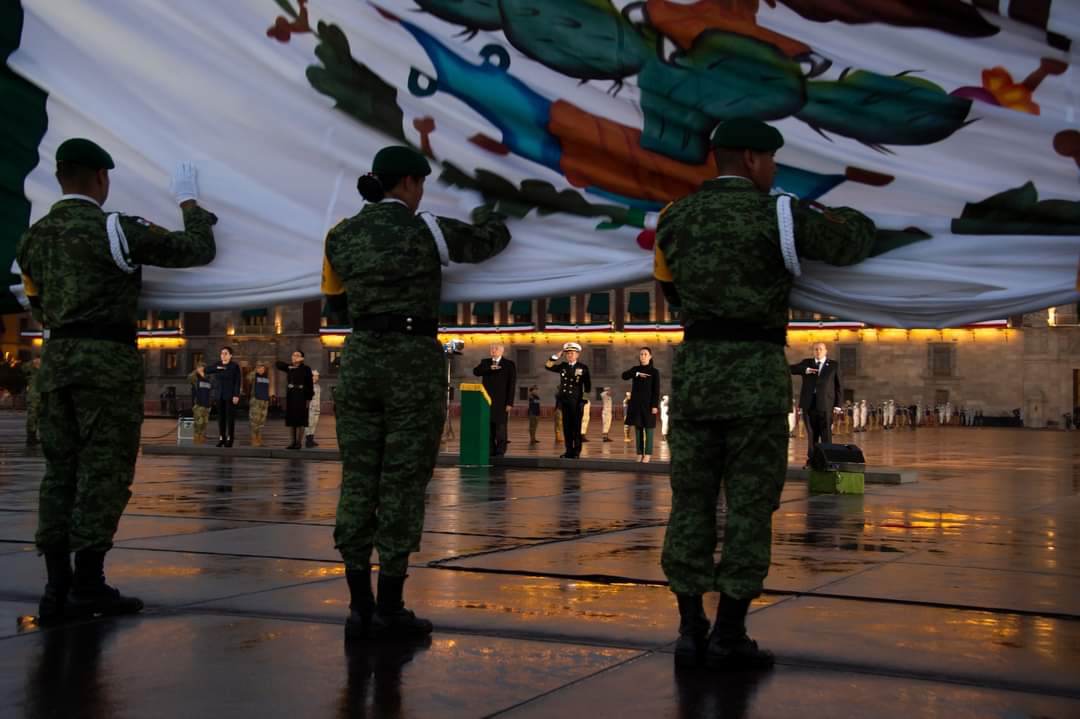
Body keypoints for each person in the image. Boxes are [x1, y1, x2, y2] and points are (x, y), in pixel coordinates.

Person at [653, 117, 876, 671]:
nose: (775, 169)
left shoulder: (674, 217)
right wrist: (853, 216)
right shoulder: (779, 213)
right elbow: (849, 241)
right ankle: (729, 633)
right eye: (772, 159)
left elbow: (669, 291)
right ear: (753, 159)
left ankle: (689, 629)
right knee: (751, 506)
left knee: (690, 502)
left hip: (696, 377)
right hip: (755, 379)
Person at [15, 138, 217, 622]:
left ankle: (56, 588)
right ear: (102, 178)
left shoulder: (33, 239)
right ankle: (88, 584)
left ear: (60, 177)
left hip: (55, 364)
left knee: (59, 474)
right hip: (106, 365)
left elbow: (36, 303)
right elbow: (197, 250)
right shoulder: (116, 229)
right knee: (103, 473)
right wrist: (189, 203)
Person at [323, 145, 510, 640]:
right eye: (421, 183)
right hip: (411, 361)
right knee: (403, 481)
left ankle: (358, 607)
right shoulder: (426, 228)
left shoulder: (340, 235)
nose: (422, 192)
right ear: (407, 182)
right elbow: (490, 241)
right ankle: (390, 607)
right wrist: (490, 206)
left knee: (358, 478)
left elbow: (334, 306)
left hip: (359, 360)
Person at [790, 342, 842, 465]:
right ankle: (812, 459)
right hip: (809, 404)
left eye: (820, 349)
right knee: (812, 434)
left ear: (826, 351)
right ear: (813, 351)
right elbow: (791, 369)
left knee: (826, 433)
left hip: (826, 404)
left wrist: (838, 405)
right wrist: (806, 370)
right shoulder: (807, 363)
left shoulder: (833, 365)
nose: (818, 351)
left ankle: (827, 459)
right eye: (815, 349)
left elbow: (838, 386)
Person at [545, 342, 591, 458]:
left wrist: (583, 401)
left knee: (576, 427)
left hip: (576, 402)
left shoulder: (582, 367)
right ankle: (568, 451)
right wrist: (556, 356)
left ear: (577, 354)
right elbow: (548, 366)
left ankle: (576, 451)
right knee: (567, 428)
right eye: (568, 353)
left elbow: (588, 386)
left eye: (572, 353)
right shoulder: (563, 366)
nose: (570, 355)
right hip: (565, 401)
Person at [471, 342, 516, 456]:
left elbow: (512, 385)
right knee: (488, 427)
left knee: (501, 428)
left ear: (502, 351)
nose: (493, 350)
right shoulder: (485, 362)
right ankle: (490, 450)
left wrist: (509, 403)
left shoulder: (509, 364)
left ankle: (500, 450)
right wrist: (489, 368)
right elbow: (476, 372)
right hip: (486, 400)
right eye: (491, 349)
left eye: (496, 349)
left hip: (502, 402)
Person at [621, 347, 660, 463]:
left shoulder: (654, 372)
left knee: (649, 429)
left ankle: (647, 454)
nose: (643, 356)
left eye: (645, 354)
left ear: (650, 356)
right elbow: (624, 376)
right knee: (638, 430)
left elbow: (656, 390)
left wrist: (654, 405)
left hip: (648, 405)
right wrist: (637, 374)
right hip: (636, 404)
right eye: (641, 354)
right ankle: (639, 453)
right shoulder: (635, 369)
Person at [276, 350, 314, 450]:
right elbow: (278, 364)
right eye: (293, 355)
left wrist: (309, 398)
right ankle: (292, 442)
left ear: (302, 358)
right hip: (291, 395)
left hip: (302, 396)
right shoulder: (290, 368)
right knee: (292, 419)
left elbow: (310, 384)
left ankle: (298, 442)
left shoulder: (306, 369)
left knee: (300, 420)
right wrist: (290, 366)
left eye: (297, 355)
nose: (295, 356)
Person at [205, 346, 242, 447]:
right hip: (219, 395)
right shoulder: (217, 364)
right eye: (222, 353)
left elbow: (237, 381)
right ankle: (222, 438)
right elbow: (206, 370)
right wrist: (217, 368)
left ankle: (230, 439)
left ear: (230, 355)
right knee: (220, 418)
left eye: (226, 353)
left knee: (230, 418)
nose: (223, 355)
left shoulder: (234, 366)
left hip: (230, 395)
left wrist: (236, 395)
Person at [187, 362, 212, 444]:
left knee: (204, 424)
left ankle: (201, 439)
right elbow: (189, 378)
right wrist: (196, 371)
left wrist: (210, 404)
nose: (202, 369)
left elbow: (210, 392)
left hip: (207, 405)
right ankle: (197, 441)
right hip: (198, 404)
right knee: (198, 423)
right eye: (200, 367)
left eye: (203, 367)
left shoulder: (208, 379)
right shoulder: (195, 378)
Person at [247, 362, 271, 447]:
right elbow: (248, 378)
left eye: (263, 368)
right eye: (260, 368)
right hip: (256, 401)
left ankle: (259, 439)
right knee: (254, 421)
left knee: (261, 422)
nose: (261, 370)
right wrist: (255, 371)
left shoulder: (266, 378)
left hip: (264, 401)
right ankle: (254, 439)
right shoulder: (254, 377)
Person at [23, 356, 41, 446]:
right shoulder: (31, 368)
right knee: (32, 417)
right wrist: (33, 363)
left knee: (38, 418)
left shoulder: (45, 368)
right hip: (34, 396)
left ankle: (33, 437)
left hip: (41, 396)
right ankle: (31, 438)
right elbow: (24, 368)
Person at [306, 370, 322, 447]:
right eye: (315, 376)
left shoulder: (318, 386)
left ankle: (311, 439)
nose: (316, 377)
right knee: (309, 424)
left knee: (314, 424)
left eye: (317, 376)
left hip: (317, 407)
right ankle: (308, 441)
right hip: (310, 407)